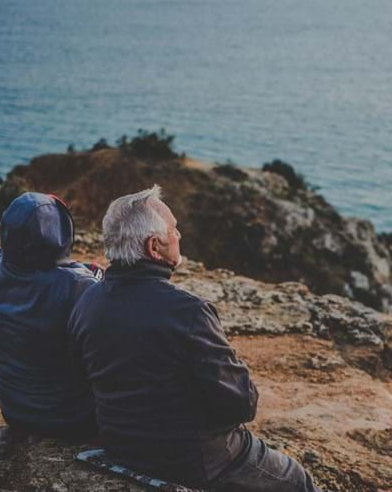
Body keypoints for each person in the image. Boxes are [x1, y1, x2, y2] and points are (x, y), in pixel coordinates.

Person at [68, 185, 322, 491]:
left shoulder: (87, 301)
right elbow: (241, 406)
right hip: (198, 461)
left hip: (120, 446)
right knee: (296, 479)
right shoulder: (188, 313)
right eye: (174, 230)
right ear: (154, 247)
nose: (179, 236)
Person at [0, 192, 100, 440]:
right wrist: (94, 274)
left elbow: (41, 276)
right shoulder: (79, 286)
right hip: (70, 418)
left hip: (14, 409)